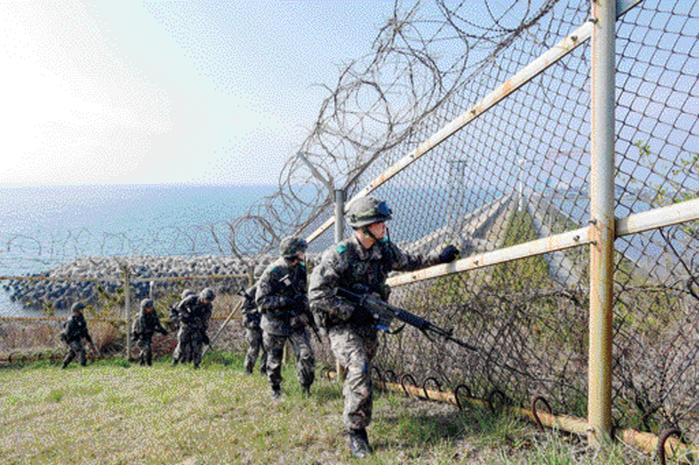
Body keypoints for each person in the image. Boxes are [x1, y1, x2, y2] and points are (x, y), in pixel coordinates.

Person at [308, 196, 459, 458]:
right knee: (359, 366)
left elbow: (412, 260)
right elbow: (317, 296)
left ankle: (353, 405)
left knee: (361, 370)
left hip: (369, 322)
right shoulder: (339, 256)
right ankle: (356, 432)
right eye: (379, 223)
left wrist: (441, 257)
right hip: (342, 325)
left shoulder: (384, 251)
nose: (384, 227)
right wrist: (352, 311)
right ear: (363, 227)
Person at [256, 236, 315, 400]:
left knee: (306, 354)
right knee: (274, 359)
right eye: (300, 251)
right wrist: (285, 301)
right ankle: (275, 389)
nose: (303, 254)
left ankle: (306, 388)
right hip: (275, 323)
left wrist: (304, 306)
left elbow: (302, 292)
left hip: (296, 321)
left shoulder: (301, 269)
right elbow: (261, 301)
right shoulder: (272, 272)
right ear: (292, 253)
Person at [176, 288, 215, 368]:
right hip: (186, 324)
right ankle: (175, 361)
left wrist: (203, 330)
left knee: (198, 345)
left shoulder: (208, 306)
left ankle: (196, 364)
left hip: (197, 326)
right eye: (206, 299)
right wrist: (188, 316)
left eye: (209, 300)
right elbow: (180, 307)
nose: (207, 302)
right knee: (182, 344)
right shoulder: (191, 299)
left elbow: (205, 318)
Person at [241, 264, 268, 375]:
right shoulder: (251, 292)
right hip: (253, 325)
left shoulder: (267, 290)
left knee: (267, 349)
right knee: (254, 349)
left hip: (265, 324)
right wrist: (256, 311)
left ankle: (264, 371)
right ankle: (248, 370)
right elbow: (244, 310)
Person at [132, 298, 168, 366]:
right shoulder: (140, 317)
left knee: (146, 349)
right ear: (144, 308)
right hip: (140, 335)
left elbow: (157, 323)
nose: (150, 309)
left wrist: (163, 331)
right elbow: (143, 329)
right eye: (148, 307)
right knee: (147, 349)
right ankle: (148, 364)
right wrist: (153, 329)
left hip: (148, 334)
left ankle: (142, 362)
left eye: (151, 307)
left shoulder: (153, 313)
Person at [60, 302, 97, 368]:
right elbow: (67, 333)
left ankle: (64, 365)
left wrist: (90, 341)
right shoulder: (71, 320)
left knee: (73, 352)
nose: (82, 311)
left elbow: (85, 331)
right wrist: (76, 335)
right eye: (81, 309)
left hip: (76, 338)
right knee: (81, 350)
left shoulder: (81, 319)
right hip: (70, 338)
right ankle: (83, 365)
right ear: (76, 310)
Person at [171, 289, 195, 364]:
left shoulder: (194, 306)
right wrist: (178, 322)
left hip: (193, 328)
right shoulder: (178, 305)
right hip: (183, 327)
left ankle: (187, 361)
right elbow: (173, 315)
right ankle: (175, 360)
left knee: (192, 345)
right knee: (181, 345)